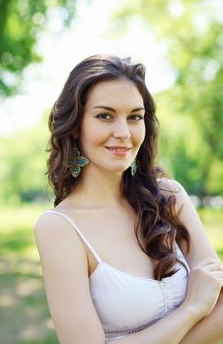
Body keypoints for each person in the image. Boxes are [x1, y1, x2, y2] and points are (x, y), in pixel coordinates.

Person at [34, 54, 223, 344]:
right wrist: (193, 309)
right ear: (75, 126)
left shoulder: (169, 197)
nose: (123, 133)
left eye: (134, 117)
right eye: (104, 116)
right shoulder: (59, 228)